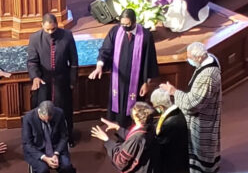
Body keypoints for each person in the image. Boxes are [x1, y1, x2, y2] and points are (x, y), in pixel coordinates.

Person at [88, 8, 159, 128]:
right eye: (122, 24)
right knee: (117, 108)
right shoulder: (116, 31)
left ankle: (131, 132)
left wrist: (146, 82)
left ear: (134, 22)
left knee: (134, 112)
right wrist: (99, 66)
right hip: (118, 80)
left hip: (136, 82)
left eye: (127, 24)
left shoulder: (145, 36)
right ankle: (118, 132)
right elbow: (105, 49)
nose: (125, 27)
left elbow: (150, 60)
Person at [160, 42, 221, 173]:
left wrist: (174, 91)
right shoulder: (210, 58)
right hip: (205, 113)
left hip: (203, 119)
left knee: (201, 148)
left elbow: (193, 104)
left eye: (190, 58)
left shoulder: (208, 76)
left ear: (199, 58)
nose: (189, 61)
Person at [27, 13, 78, 146]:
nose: (50, 32)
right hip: (44, 81)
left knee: (64, 110)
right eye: (47, 29)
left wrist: (72, 80)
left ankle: (67, 137)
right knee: (43, 110)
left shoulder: (67, 35)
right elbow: (32, 62)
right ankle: (45, 138)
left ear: (57, 25)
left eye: (53, 29)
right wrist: (35, 77)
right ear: (42, 26)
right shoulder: (34, 38)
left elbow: (73, 61)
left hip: (62, 80)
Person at [91, 101, 160, 173]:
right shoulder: (149, 127)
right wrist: (118, 128)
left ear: (137, 117)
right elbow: (134, 138)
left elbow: (120, 161)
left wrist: (107, 140)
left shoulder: (137, 138)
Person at [22, 100, 76, 173]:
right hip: (38, 150)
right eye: (44, 119)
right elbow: (27, 144)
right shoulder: (28, 118)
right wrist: (45, 158)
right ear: (39, 112)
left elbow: (64, 136)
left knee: (67, 167)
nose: (47, 122)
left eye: (49, 119)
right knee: (43, 170)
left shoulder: (59, 113)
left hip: (56, 148)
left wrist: (56, 153)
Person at [150, 88, 189, 173]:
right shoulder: (178, 111)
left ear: (160, 107)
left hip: (172, 164)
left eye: (154, 106)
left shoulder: (169, 124)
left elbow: (160, 145)